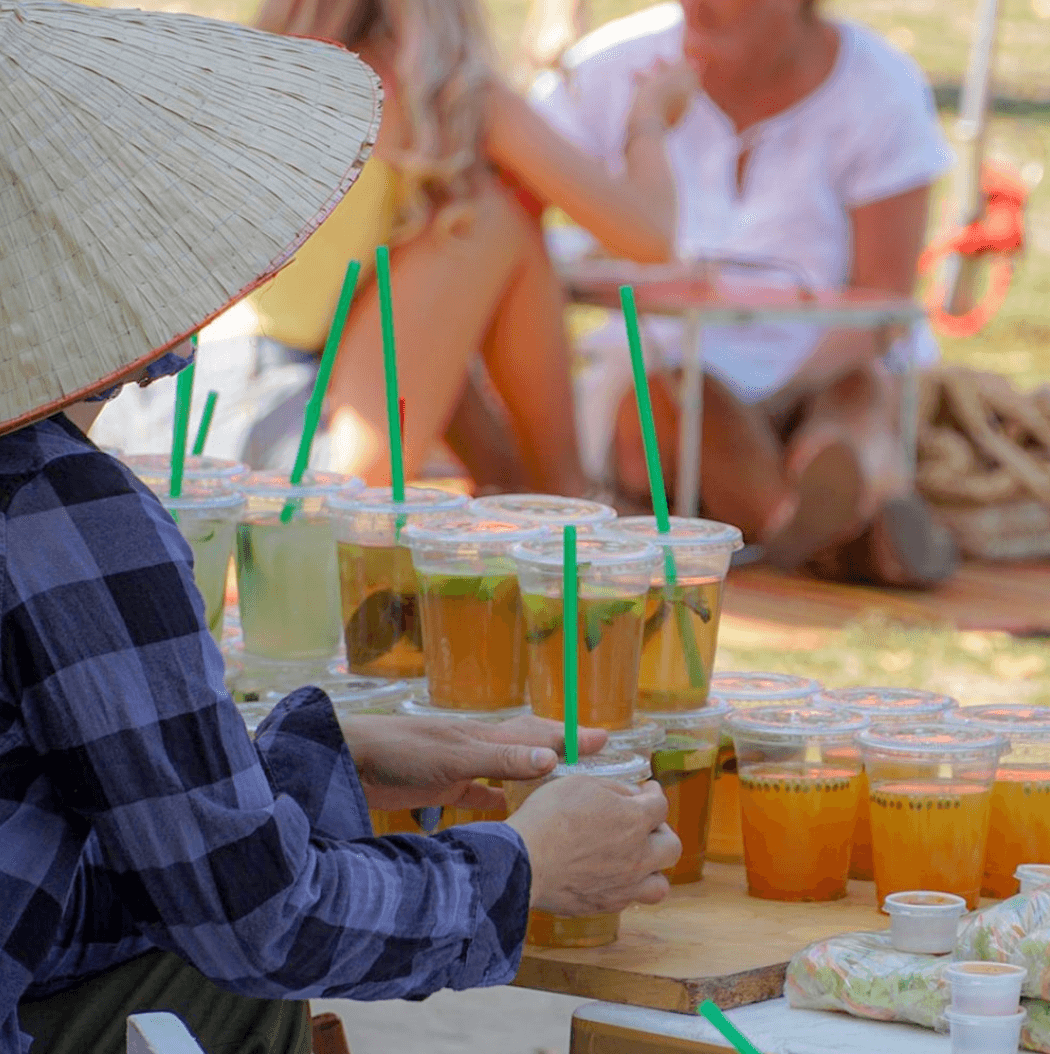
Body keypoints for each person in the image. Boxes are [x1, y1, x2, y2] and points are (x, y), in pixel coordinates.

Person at [0, 6, 680, 1053]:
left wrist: (303, 762)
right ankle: (570, 486)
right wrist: (524, 868)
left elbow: (48, 865)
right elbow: (257, 922)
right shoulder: (59, 508)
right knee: (235, 982)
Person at [93, 0, 696, 498]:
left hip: (155, 421)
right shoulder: (448, 99)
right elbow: (649, 237)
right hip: (287, 454)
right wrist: (649, 118)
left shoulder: (262, 71)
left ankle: (519, 487)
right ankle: (566, 495)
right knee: (491, 214)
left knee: (433, 228)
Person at [532, 0, 960, 586]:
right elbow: (523, 220)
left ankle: (818, 509)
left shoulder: (882, 85)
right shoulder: (617, 68)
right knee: (685, 395)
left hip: (827, 363)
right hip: (673, 369)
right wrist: (645, 127)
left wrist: (781, 393)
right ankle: (852, 529)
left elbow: (883, 301)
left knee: (858, 395)